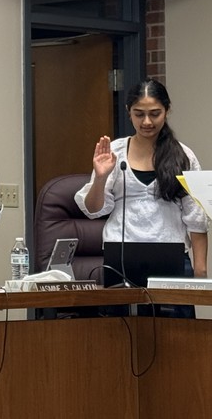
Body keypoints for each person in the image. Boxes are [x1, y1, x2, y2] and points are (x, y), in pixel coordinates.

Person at [75, 79, 207, 311]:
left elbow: (196, 220)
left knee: (174, 338)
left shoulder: (183, 156)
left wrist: (200, 273)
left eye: (155, 114)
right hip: (122, 258)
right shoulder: (114, 152)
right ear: (129, 112)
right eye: (139, 114)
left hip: (171, 257)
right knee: (123, 335)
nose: (147, 122)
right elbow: (94, 209)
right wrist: (101, 176)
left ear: (167, 111)